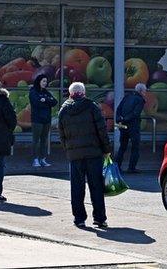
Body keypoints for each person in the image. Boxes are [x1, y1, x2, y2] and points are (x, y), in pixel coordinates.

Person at [58, 82, 112, 229]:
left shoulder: (64, 110)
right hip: (94, 154)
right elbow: (102, 130)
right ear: (83, 92)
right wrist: (106, 149)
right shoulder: (92, 107)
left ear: (70, 94)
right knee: (96, 186)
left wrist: (68, 149)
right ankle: (100, 218)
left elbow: (62, 135)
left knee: (76, 187)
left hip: (75, 155)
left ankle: (79, 218)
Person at [115, 83, 147, 173]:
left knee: (122, 146)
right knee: (135, 147)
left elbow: (118, 109)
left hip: (122, 125)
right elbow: (136, 113)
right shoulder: (140, 100)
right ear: (141, 91)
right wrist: (126, 119)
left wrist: (119, 119)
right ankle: (131, 167)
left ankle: (117, 166)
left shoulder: (127, 97)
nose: (145, 92)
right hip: (133, 126)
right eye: (145, 91)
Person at [29, 74, 58, 168]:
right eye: (43, 81)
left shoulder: (46, 92)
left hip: (46, 120)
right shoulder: (33, 91)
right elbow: (36, 103)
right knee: (36, 140)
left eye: (46, 81)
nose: (45, 83)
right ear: (39, 81)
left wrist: (44, 100)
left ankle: (43, 159)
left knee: (44, 140)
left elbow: (54, 102)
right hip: (37, 120)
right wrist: (47, 101)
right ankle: (35, 159)